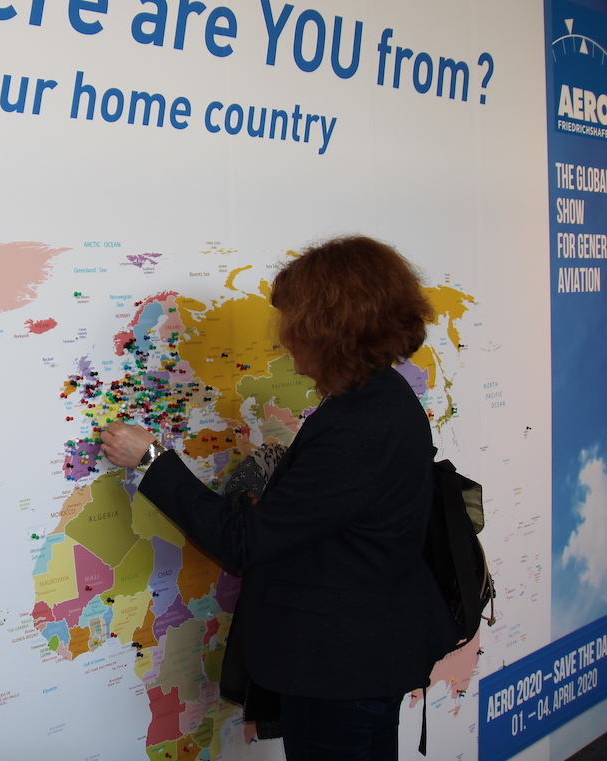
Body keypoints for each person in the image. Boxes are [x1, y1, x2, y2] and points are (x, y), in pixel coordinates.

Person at [100, 235, 455, 761]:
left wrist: (152, 459)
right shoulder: (386, 396)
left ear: (327, 328)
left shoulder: (355, 426)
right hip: (371, 649)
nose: (284, 337)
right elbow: (343, 510)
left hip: (339, 667)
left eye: (291, 320)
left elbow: (243, 544)